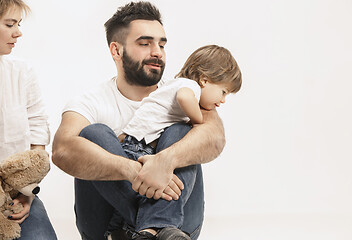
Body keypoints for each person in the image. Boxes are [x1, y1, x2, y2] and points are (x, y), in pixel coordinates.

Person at [52, 2, 229, 240]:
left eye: (161, 44)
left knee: (180, 132)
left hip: (181, 225)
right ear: (116, 50)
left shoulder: (183, 91)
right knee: (93, 135)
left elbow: (215, 137)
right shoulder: (90, 102)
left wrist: (165, 162)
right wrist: (134, 172)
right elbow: (62, 150)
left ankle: (152, 229)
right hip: (108, 228)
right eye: (145, 44)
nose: (157, 51)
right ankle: (155, 227)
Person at [121, 44, 242, 162]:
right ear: (204, 80)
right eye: (223, 92)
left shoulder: (177, 84)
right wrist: (197, 120)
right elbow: (184, 97)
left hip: (136, 140)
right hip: (139, 144)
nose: (223, 100)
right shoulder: (191, 86)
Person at [0, 0, 57, 239]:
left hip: (15, 192)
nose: (18, 32)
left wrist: (27, 193)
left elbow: (37, 128)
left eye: (18, 24)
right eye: (9, 24)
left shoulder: (22, 72)